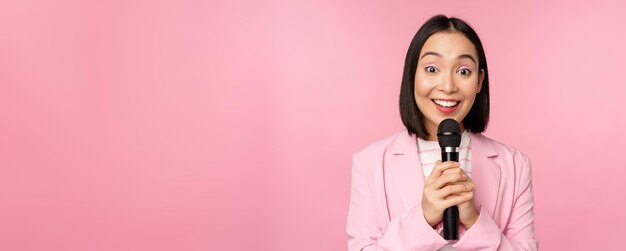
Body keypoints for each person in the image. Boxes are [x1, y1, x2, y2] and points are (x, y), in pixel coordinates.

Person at [346, 15, 538, 251]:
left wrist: (473, 220)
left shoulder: (515, 165)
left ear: (479, 81)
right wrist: (424, 216)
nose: (447, 86)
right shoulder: (370, 163)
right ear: (412, 75)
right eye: (432, 69)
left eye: (464, 71)